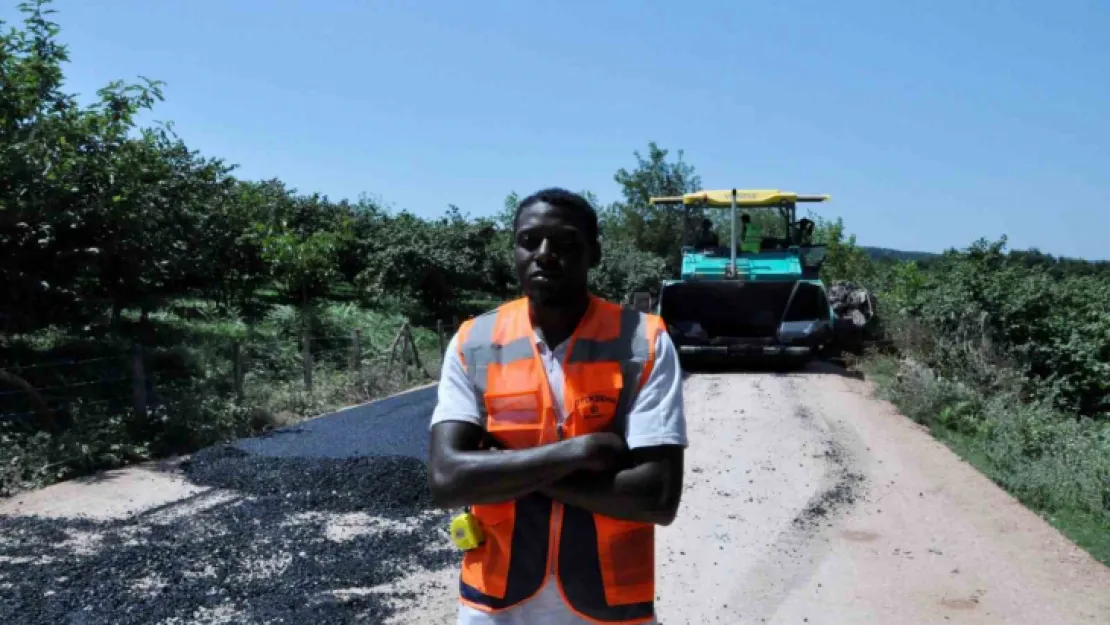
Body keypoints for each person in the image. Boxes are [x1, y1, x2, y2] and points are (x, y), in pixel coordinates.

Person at [428, 187, 687, 625]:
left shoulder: (645, 343)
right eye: (530, 241)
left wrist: (500, 468)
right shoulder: (474, 343)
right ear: (514, 250)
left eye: (565, 243)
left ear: (594, 253)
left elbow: (656, 497)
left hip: (608, 606)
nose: (545, 254)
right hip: (493, 605)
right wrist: (580, 453)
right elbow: (447, 481)